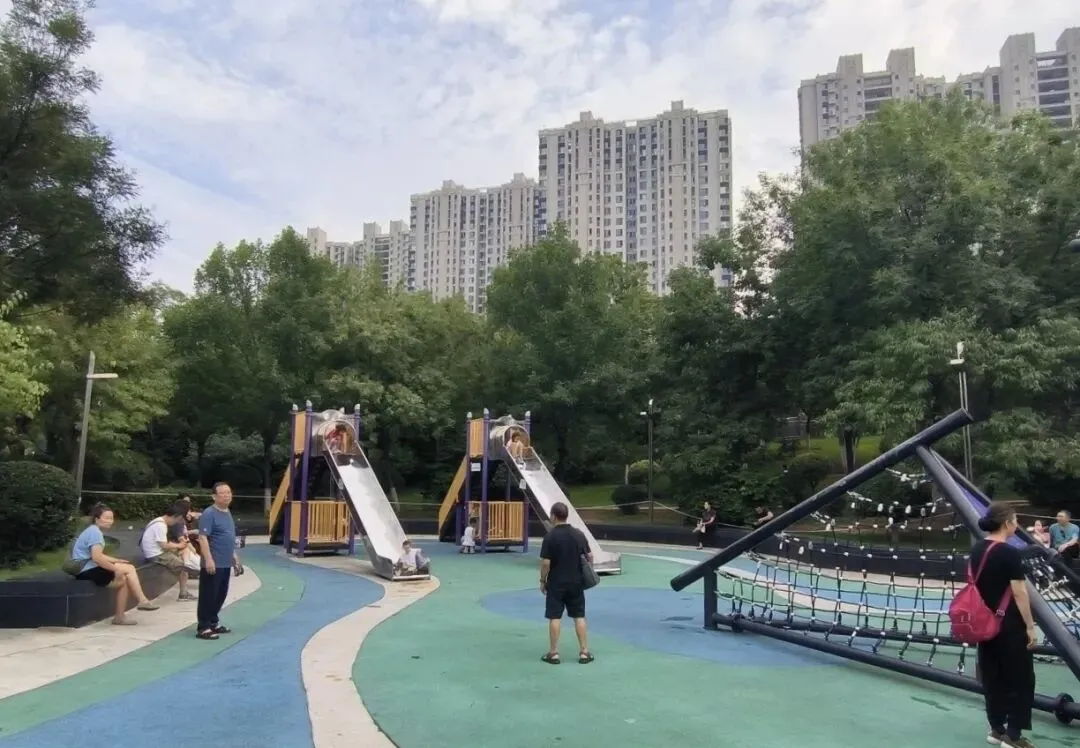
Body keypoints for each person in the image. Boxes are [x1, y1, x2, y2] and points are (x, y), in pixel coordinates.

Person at [972, 502, 1038, 748]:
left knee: (993, 676)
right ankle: (1014, 735)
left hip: (984, 622)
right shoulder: (1009, 553)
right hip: (1009, 624)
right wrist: (1030, 626)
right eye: (1015, 520)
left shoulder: (978, 549)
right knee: (1021, 679)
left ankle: (996, 728)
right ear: (1008, 523)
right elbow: (1019, 593)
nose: (1017, 524)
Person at [69, 504, 160, 625]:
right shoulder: (95, 533)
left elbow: (97, 555)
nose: (110, 521)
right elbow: (97, 558)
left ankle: (120, 617)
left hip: (86, 568)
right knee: (129, 569)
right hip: (88, 570)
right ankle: (142, 601)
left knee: (124, 579)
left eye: (111, 518)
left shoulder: (92, 530)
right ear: (97, 519)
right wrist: (115, 569)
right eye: (106, 518)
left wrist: (116, 561)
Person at [539, 501, 593, 665]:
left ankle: (554, 653)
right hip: (576, 581)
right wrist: (588, 571)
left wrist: (542, 580)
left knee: (555, 616)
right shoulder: (578, 534)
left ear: (553, 516)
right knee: (579, 616)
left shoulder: (550, 536)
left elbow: (546, 562)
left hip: (556, 582)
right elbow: (590, 556)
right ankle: (584, 652)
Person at [195, 482, 241, 641]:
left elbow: (228, 535)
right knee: (208, 594)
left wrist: (233, 555)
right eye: (222, 493)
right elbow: (203, 538)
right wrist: (208, 559)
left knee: (221, 594)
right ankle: (203, 627)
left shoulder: (227, 512)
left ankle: (213, 622)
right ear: (214, 496)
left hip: (225, 561)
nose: (227, 495)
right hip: (214, 561)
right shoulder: (209, 514)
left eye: (229, 492)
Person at [140, 503, 197, 601]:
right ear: (176, 517)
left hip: (156, 551)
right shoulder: (161, 525)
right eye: (178, 520)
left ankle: (189, 570)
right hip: (157, 555)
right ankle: (183, 594)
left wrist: (178, 547)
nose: (175, 523)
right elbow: (164, 546)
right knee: (183, 567)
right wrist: (179, 545)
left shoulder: (157, 520)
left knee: (183, 552)